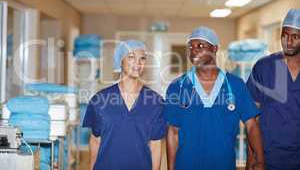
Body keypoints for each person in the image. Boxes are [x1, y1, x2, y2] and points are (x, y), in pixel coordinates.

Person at [164, 26, 265, 170]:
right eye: (190, 47)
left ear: (215, 48)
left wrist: (260, 160)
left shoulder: (235, 85)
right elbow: (172, 133)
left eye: (200, 45)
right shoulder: (177, 87)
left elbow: (251, 125)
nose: (194, 51)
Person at [82, 40, 166, 170]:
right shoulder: (99, 100)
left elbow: (155, 146)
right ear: (120, 61)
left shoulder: (156, 102)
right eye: (131, 57)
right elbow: (95, 141)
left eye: (142, 58)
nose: (138, 62)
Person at [247, 9, 300, 170]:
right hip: (268, 158)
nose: (288, 41)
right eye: (284, 35)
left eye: (295, 37)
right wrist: (253, 158)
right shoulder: (264, 67)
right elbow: (251, 118)